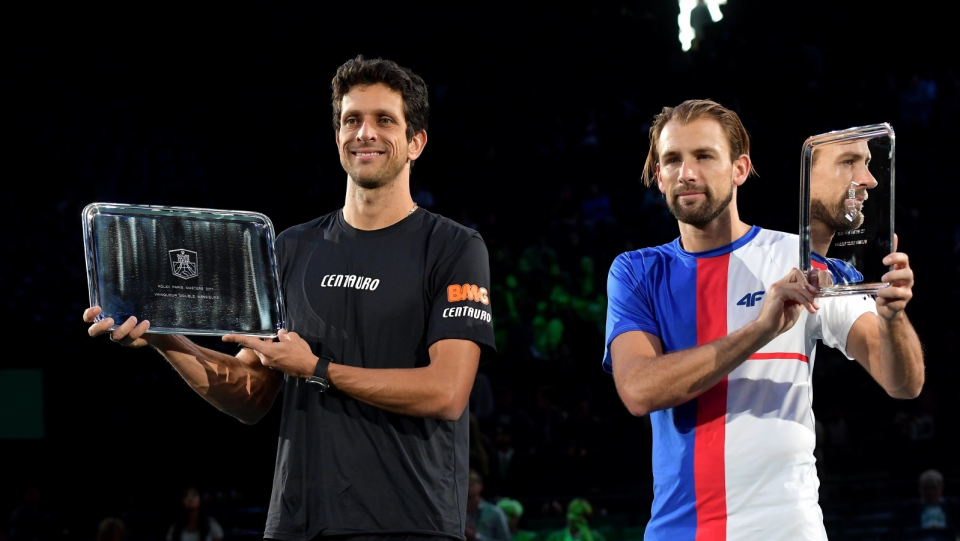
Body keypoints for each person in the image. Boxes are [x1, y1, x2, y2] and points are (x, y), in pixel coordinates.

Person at [84, 55, 496, 540]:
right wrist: (163, 335)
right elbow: (253, 395)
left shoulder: (453, 247)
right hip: (298, 523)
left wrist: (318, 370)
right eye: (351, 120)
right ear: (337, 137)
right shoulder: (289, 248)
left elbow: (447, 393)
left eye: (385, 120)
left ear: (415, 143)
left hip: (411, 523)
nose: (365, 132)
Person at [603, 99, 924, 539]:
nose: (687, 172)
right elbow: (639, 390)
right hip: (681, 530)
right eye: (672, 159)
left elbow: (902, 383)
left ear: (739, 169)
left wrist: (892, 317)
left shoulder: (800, 261)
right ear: (658, 176)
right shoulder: (636, 271)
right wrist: (760, 329)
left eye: (703, 156)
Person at [809, 139, 877, 284]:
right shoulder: (763, 264)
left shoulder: (847, 275)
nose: (871, 180)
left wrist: (890, 306)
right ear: (803, 173)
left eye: (866, 163)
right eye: (848, 162)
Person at [898, 469, 960, 538]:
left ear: (941, 489)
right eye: (926, 488)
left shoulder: (953, 506)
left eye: (934, 488)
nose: (930, 493)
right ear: (920, 489)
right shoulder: (910, 508)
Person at [466, 471, 511, 541]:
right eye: (463, 483)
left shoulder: (495, 512)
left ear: (481, 485)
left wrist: (477, 537)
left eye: (471, 483)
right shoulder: (454, 513)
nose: (467, 486)